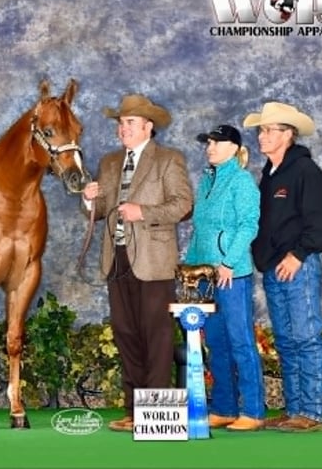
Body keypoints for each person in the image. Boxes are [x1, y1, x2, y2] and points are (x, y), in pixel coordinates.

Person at [81, 93, 193, 432]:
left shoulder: (169, 159)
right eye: (120, 123)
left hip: (154, 260)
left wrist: (143, 212)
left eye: (129, 123)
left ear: (148, 126)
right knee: (125, 332)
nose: (122, 128)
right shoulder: (111, 163)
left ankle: (155, 415)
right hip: (115, 259)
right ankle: (133, 410)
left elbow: (183, 205)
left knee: (156, 334)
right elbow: (101, 211)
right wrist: (89, 201)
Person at [242, 101, 322, 433]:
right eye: (261, 130)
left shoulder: (304, 171)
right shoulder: (268, 175)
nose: (262, 136)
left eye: (269, 130)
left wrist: (298, 254)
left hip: (299, 266)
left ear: (288, 135)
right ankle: (295, 408)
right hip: (273, 268)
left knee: (305, 336)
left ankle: (312, 412)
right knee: (285, 339)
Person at [183, 124, 266, 432]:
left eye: (216, 142)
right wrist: (190, 267)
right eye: (208, 142)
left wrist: (228, 262)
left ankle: (254, 411)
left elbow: (249, 225)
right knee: (216, 342)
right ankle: (224, 408)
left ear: (234, 148)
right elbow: (200, 230)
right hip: (206, 275)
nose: (210, 147)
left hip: (232, 275)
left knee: (240, 340)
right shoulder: (205, 181)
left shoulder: (242, 181)